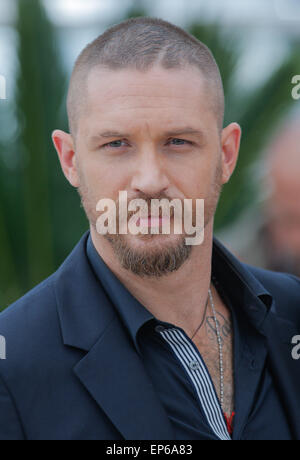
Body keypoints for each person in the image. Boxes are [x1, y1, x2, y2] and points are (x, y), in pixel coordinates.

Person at [0, 17, 299, 441]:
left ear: (227, 154)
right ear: (70, 160)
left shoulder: (292, 314)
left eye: (178, 142)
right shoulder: (13, 367)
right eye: (116, 144)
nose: (149, 179)